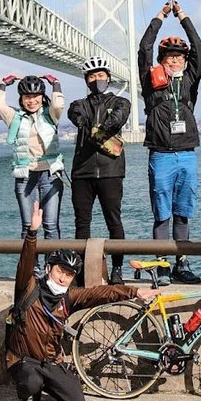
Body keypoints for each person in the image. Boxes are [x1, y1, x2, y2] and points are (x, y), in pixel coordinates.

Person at [6, 203, 160, 401]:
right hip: (23, 361)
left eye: (68, 275)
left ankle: (41, 385)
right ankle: (27, 395)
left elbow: (101, 293)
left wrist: (134, 291)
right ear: (49, 268)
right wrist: (32, 233)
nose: (62, 278)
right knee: (30, 378)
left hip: (50, 361)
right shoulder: (28, 288)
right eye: (60, 271)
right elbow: (25, 261)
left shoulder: (68, 297)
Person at [138, 0, 201, 285]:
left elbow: (199, 49)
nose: (175, 60)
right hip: (161, 155)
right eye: (169, 57)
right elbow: (144, 48)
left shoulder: (189, 80)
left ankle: (182, 264)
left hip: (187, 154)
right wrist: (161, 15)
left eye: (179, 56)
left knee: (183, 211)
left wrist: (183, 15)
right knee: (162, 213)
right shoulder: (151, 82)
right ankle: (162, 265)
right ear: (161, 61)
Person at [66, 57, 132, 284]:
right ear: (86, 80)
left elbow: (118, 119)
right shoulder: (78, 104)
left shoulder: (122, 102)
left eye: (101, 75)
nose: (97, 80)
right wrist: (84, 121)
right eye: (92, 76)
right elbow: (76, 117)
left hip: (111, 171)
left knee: (114, 220)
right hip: (82, 172)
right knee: (81, 222)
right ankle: (79, 269)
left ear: (109, 78)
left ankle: (117, 269)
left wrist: (100, 127)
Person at [0, 74, 65, 246]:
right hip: (25, 175)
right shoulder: (14, 117)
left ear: (42, 97)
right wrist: (3, 84)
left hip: (50, 173)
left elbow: (58, 103)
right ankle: (31, 270)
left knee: (51, 225)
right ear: (21, 99)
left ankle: (52, 270)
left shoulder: (51, 114)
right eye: (27, 97)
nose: (31, 100)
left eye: (36, 96)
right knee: (28, 226)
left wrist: (55, 84)